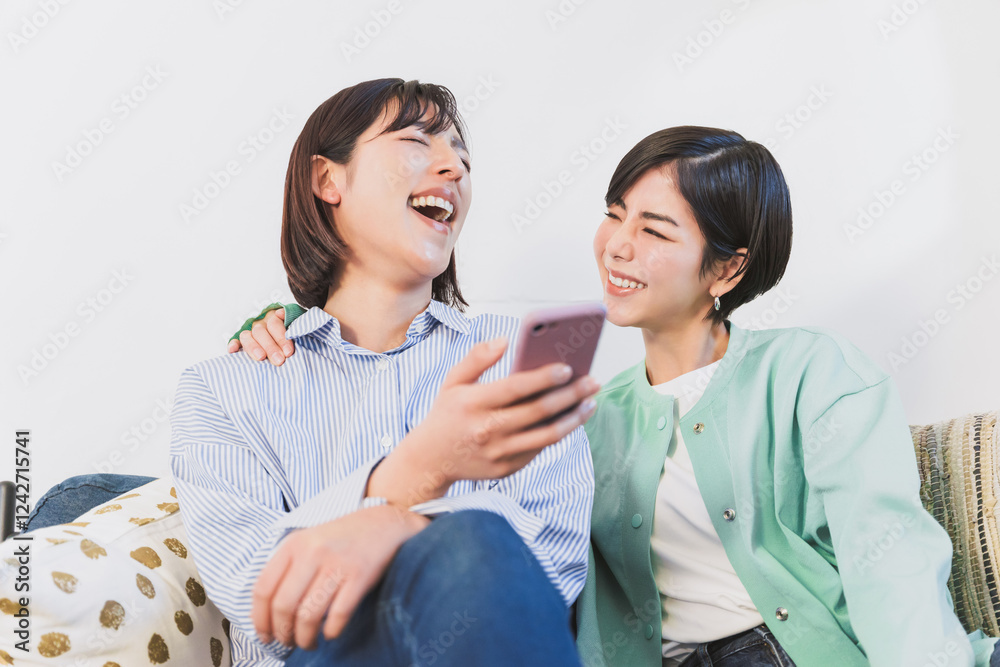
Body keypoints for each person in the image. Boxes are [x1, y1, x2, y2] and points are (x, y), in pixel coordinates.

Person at [237, 126, 1000, 666]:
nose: (618, 245)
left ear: (727, 269)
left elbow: (889, 557)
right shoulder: (589, 419)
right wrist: (294, 322)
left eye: (655, 230)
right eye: (613, 215)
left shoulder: (811, 372)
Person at [167, 78, 601, 666]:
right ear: (328, 179)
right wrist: (411, 479)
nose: (455, 167)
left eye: (463, 157)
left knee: (476, 542)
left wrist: (402, 525)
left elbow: (552, 562)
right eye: (417, 141)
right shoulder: (225, 388)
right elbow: (259, 598)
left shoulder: (514, 356)